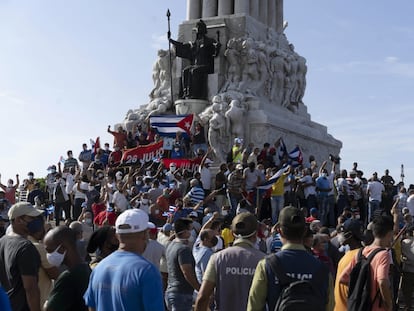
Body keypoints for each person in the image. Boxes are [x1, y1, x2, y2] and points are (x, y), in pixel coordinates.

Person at [247, 206, 331, 311]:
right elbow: (330, 306)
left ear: (279, 231)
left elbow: (254, 307)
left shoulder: (266, 265)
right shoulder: (322, 269)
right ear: (305, 231)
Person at [84, 209, 164, 310]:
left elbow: (92, 307)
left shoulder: (99, 267)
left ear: (117, 236)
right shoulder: (147, 271)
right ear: (145, 234)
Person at [195, 212, 265, 311]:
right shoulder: (264, 260)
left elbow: (203, 297)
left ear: (232, 233)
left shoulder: (217, 258)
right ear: (256, 234)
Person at [339, 215, 394, 311]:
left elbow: (343, 278)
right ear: (389, 234)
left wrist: (360, 289)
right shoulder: (383, 254)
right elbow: (382, 281)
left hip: (359, 306)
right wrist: (389, 304)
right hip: (376, 307)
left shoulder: (360, 252)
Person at [0, 202, 44, 311]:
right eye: (31, 218)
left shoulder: (2, 241)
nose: (36, 221)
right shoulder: (26, 247)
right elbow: (30, 289)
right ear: (18, 220)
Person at [169, 19, 221, 100]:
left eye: (200, 28)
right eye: (197, 28)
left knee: (194, 71)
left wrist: (217, 47)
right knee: (185, 70)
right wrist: (171, 40)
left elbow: (215, 54)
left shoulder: (209, 41)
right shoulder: (195, 43)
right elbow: (182, 46)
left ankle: (196, 94)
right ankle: (186, 93)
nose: (198, 30)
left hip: (206, 66)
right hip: (196, 65)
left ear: (203, 30)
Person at [43, 226, 91, 311]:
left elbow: (50, 309)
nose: (48, 255)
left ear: (62, 248)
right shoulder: (87, 269)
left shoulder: (67, 277)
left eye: (49, 250)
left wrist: (46, 304)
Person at [165, 218, 200, 311]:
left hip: (171, 291)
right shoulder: (183, 249)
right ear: (185, 231)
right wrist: (199, 289)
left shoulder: (170, 245)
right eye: (190, 229)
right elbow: (187, 272)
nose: (191, 232)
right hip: (181, 294)